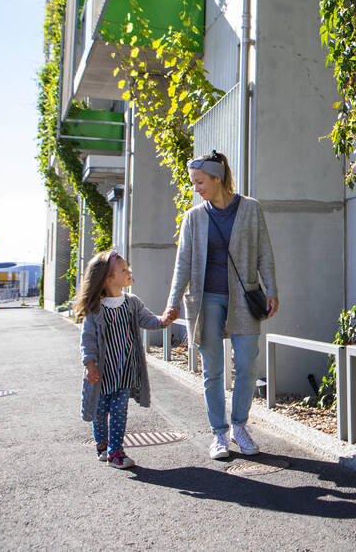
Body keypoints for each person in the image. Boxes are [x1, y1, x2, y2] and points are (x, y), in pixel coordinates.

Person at [164, 150, 278, 460]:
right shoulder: (194, 217)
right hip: (206, 299)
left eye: (200, 182)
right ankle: (219, 434)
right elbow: (183, 263)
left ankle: (240, 425)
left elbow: (264, 253)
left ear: (218, 178)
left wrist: (272, 289)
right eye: (193, 183)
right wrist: (173, 302)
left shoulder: (251, 209)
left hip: (244, 297)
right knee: (212, 371)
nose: (196, 188)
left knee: (247, 365)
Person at [79, 250, 175, 469]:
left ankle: (115, 452)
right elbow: (88, 339)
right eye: (123, 270)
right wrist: (89, 364)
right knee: (100, 411)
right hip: (102, 374)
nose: (129, 272)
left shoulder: (131, 302)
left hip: (125, 371)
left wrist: (163, 320)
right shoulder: (95, 309)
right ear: (108, 279)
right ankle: (102, 446)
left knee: (120, 412)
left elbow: (147, 319)